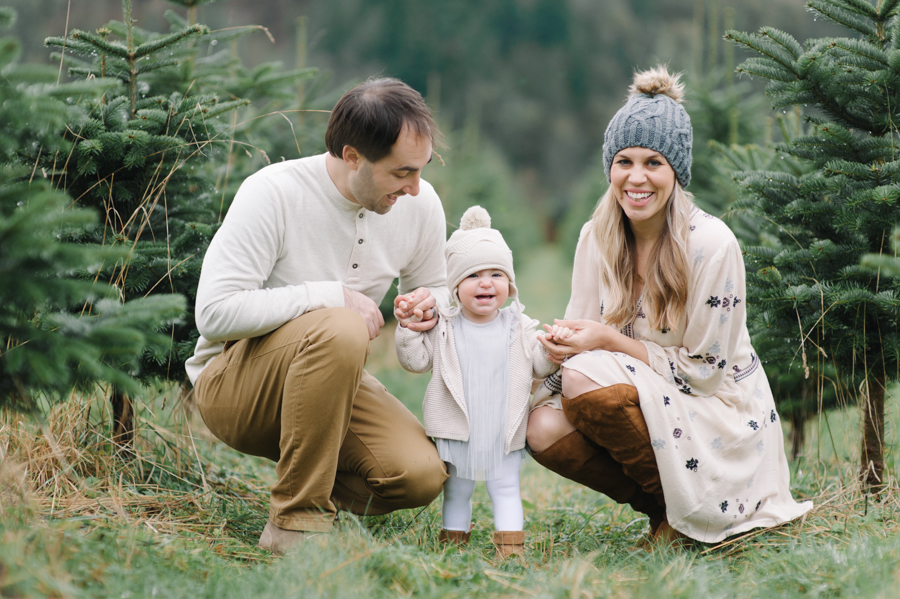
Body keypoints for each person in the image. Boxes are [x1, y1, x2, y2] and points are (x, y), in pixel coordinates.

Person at [526, 66, 813, 545]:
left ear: (675, 171)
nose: (636, 178)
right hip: (647, 394)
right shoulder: (595, 239)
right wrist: (558, 347)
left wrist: (604, 342)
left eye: (653, 163)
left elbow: (704, 373)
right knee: (542, 427)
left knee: (585, 380)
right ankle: (667, 513)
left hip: (715, 409)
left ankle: (702, 513)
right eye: (624, 162)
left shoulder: (710, 244)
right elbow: (582, 332)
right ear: (610, 168)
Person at [185, 78, 451, 553]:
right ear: (352, 157)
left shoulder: (420, 204)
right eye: (401, 173)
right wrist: (329, 296)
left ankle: (312, 488)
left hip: (333, 381)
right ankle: (295, 523)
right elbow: (214, 313)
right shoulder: (273, 193)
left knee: (418, 476)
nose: (414, 187)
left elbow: (438, 290)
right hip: (235, 385)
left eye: (422, 169)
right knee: (340, 322)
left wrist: (429, 309)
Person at [394, 206, 559, 558]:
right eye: (473, 275)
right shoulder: (445, 327)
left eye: (496, 274)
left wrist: (554, 352)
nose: (486, 282)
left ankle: (511, 549)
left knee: (505, 488)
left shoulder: (519, 326)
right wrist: (409, 330)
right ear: (454, 287)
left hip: (502, 429)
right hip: (459, 429)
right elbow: (415, 361)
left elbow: (539, 365)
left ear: (509, 284)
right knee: (457, 490)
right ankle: (453, 545)